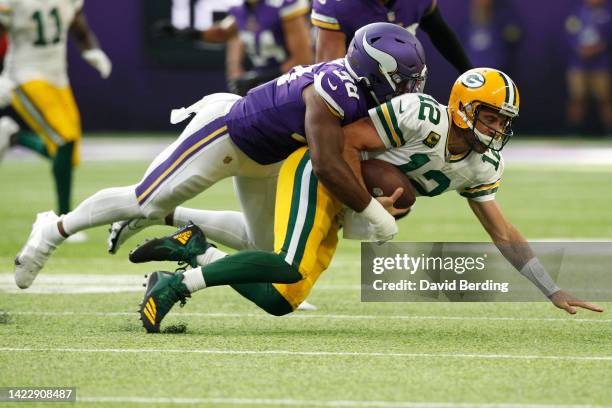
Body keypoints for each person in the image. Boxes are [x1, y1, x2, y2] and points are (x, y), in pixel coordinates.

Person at [132, 67, 603, 333]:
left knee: (280, 301)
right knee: (288, 263)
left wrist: (550, 287)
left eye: (504, 122)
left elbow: (503, 232)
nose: (498, 129)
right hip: (324, 172)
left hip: (352, 199)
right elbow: (345, 143)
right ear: (462, 107)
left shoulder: (481, 165)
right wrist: (370, 205)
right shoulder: (419, 116)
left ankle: (196, 247)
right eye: (491, 117)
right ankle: (175, 286)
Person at [14, 23, 427, 291]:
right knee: (145, 198)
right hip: (226, 135)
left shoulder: (359, 88)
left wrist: (371, 204)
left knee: (264, 246)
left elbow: (350, 152)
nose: (409, 88)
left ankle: (171, 223)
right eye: (404, 80)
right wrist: (371, 210)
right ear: (375, 70)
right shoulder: (336, 89)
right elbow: (325, 162)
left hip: (269, 155)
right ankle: (54, 227)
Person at [0, 0, 112, 219]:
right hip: (23, 75)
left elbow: (79, 28)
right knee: (64, 138)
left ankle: (15, 137)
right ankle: (63, 220)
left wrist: (92, 50)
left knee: (70, 155)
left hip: (58, 77)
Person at [157, 0, 313, 96]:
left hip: (297, 85)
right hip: (268, 84)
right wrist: (186, 33)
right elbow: (222, 33)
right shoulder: (242, 7)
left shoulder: (285, 5)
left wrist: (258, 79)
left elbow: (303, 60)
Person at [311, 0, 472, 73]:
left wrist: (469, 72)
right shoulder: (338, 6)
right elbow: (328, 80)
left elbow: (440, 33)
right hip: (354, 90)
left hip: (404, 87)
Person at [565, 0, 612, 136]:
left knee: (605, 98)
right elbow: (569, 34)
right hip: (578, 64)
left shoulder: (608, 13)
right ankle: (573, 132)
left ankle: (609, 132)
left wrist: (598, 47)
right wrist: (578, 48)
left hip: (601, 64)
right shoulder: (577, 13)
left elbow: (608, 36)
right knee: (576, 98)